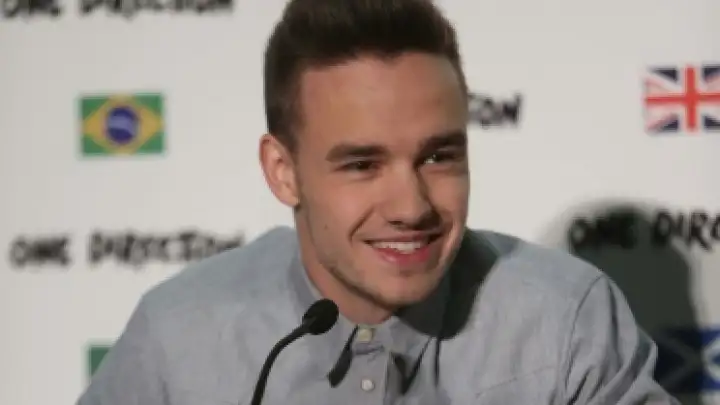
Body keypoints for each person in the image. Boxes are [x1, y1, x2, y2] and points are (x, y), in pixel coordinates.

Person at [76, 0, 682, 404]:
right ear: (283, 173)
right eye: (362, 165)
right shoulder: (178, 339)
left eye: (438, 157)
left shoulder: (565, 322)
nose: (411, 207)